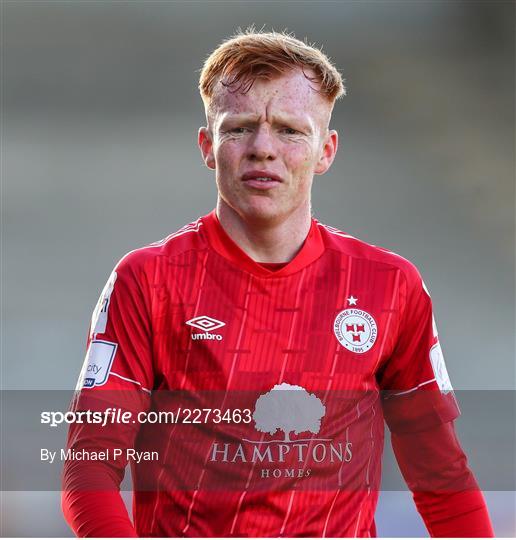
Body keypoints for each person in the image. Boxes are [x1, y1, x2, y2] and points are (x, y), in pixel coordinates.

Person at [62, 29, 494, 537]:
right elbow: (88, 468)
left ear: (326, 150)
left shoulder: (391, 285)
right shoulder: (147, 280)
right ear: (207, 146)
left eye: (289, 130)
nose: (262, 148)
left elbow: (441, 476)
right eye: (239, 128)